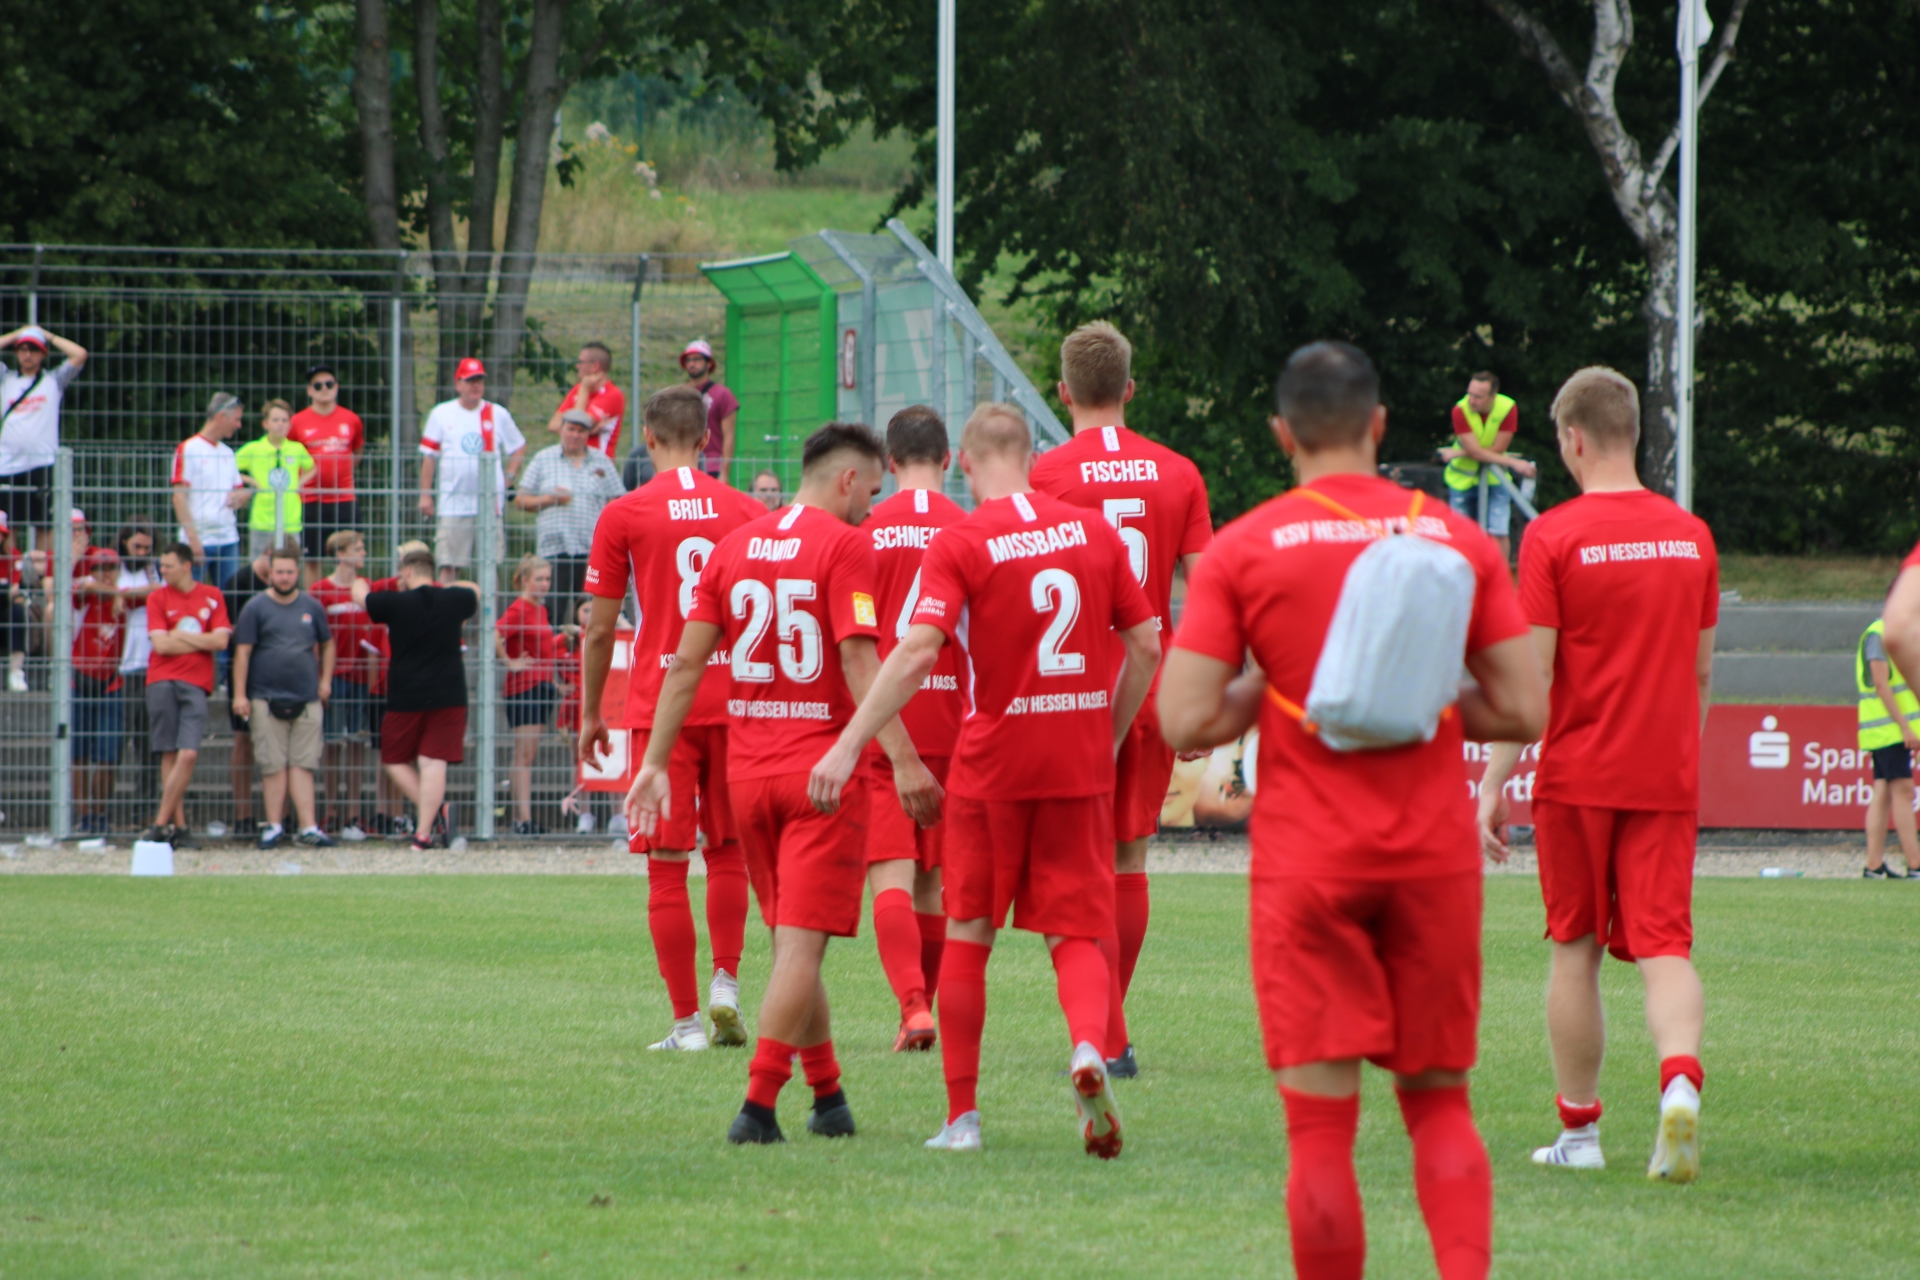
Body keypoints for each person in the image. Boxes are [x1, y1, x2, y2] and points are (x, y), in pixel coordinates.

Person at [1157, 342, 1546, 1278]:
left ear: (1281, 434)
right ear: (1378, 425)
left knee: (1321, 1134)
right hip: (1430, 857)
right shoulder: (1454, 538)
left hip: (1309, 861)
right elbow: (1524, 708)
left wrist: (1285, 686)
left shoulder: (1245, 547)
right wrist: (1416, 693)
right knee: (1440, 1110)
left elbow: (1184, 720)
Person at [809, 403, 1160, 1159]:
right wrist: (1106, 734)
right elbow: (1146, 644)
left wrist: (850, 743)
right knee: (1074, 929)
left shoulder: (964, 538)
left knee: (970, 931)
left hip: (993, 761)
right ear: (1030, 456)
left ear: (964, 463)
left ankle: (963, 1118)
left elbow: (916, 652)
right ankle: (1089, 1047)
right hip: (1076, 761)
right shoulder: (1092, 532)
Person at [628, 422, 939, 1145]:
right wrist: (902, 758)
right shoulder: (846, 545)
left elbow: (686, 665)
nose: (872, 507)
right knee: (800, 949)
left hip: (749, 775)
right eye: (871, 491)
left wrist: (652, 762)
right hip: (819, 777)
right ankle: (759, 1105)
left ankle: (828, 1096)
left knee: (789, 941)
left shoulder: (734, 546)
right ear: (847, 480)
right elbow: (860, 664)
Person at [1479, 365, 1720, 1187]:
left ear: (1573, 439)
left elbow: (1536, 678)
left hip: (1579, 776)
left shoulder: (1553, 537)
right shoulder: (1692, 536)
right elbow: (1700, 673)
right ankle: (1679, 1081)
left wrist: (1493, 780)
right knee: (1666, 947)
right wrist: (1682, 758)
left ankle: (1579, 1133)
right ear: (1635, 434)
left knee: (1573, 952)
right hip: (1664, 775)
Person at [1029, 319, 1213, 1078]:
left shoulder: (1044, 474)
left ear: (1063, 392)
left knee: (1074, 868)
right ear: (1130, 389)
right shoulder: (1179, 472)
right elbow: (1206, 594)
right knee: (1131, 857)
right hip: (1150, 684)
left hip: (1068, 689)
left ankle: (1105, 1031)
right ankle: (1111, 1035)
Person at [579, 385, 767, 1053]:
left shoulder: (624, 512)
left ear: (649, 439)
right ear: (708, 440)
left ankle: (686, 1023)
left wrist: (590, 714)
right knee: (728, 850)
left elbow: (600, 631)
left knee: (665, 860)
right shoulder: (747, 509)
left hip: (663, 705)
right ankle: (726, 985)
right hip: (735, 700)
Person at [857, 406, 966, 1052]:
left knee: (890, 873)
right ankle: (919, 1015)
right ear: (948, 460)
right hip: (954, 721)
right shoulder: (970, 529)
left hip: (886, 721)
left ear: (889, 463)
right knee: (933, 881)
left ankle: (913, 1007)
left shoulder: (866, 530)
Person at [357, 550, 479, 851]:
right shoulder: (455, 599)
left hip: (406, 694)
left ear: (408, 572)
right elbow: (475, 589)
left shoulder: (395, 602)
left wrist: (378, 581)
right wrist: (443, 586)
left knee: (393, 758)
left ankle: (432, 821)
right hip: (450, 693)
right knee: (432, 761)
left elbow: (359, 593)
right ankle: (426, 831)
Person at [231, 546, 336, 849]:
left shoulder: (312, 606)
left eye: (290, 572)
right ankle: (274, 827)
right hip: (265, 698)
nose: (285, 577)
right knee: (272, 765)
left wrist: (325, 681)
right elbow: (242, 653)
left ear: (298, 572)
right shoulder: (255, 607)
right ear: (270, 573)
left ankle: (308, 828)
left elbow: (328, 644)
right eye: (279, 572)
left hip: (307, 697)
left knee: (304, 764)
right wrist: (240, 695)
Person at [141, 542, 235, 847]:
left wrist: (180, 635)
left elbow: (221, 641)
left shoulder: (212, 595)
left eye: (168, 566)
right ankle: (179, 827)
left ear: (186, 566)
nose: (163, 571)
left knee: (189, 752)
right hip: (161, 679)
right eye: (162, 566)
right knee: (169, 753)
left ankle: (160, 824)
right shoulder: (157, 597)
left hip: (196, 682)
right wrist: (200, 639)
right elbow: (161, 645)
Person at [419, 358, 525, 583]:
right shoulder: (442, 413)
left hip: (489, 503)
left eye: (479, 381)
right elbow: (429, 457)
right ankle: (447, 606)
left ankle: (488, 607)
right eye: (470, 381)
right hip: (453, 503)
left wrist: (509, 476)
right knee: (449, 565)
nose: (475, 386)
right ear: (458, 384)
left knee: (490, 566)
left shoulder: (497, 413)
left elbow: (518, 445)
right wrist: (425, 494)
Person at [310, 531, 386, 839]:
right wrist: (321, 678)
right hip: (334, 677)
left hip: (362, 677)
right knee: (331, 743)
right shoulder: (321, 590)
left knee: (356, 742)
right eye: (358, 548)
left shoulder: (366, 587)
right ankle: (330, 810)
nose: (363, 553)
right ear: (340, 554)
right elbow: (316, 638)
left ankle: (354, 813)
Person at [514, 410, 626, 606]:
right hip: (553, 549)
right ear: (562, 430)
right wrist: (549, 499)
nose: (575, 435)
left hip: (591, 549)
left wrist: (606, 523)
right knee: (553, 607)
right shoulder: (543, 458)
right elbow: (520, 499)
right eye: (571, 429)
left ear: (588, 434)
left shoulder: (601, 461)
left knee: (586, 607)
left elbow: (618, 499)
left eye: (581, 431)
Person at [0, 324, 88, 545]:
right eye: (23, 349)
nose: (28, 355)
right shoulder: (6, 380)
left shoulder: (53, 381)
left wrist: (47, 335)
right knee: (7, 524)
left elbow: (79, 355)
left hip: (42, 462)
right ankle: (12, 566)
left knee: (44, 525)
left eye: (34, 349)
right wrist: (17, 334)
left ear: (43, 354)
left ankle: (42, 567)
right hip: (7, 464)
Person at [497, 554, 565, 835]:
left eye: (547, 579)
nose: (545, 584)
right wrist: (510, 662)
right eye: (539, 579)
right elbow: (495, 634)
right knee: (524, 755)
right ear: (524, 580)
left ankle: (522, 818)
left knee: (527, 755)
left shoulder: (540, 609)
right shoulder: (519, 608)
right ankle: (522, 820)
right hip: (524, 688)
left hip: (541, 686)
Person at [67, 512, 125, 834]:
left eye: (111, 568)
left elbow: (149, 591)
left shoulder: (124, 598)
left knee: (108, 754)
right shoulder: (86, 592)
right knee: (78, 753)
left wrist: (119, 594)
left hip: (111, 681)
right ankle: (83, 814)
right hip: (80, 677)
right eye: (100, 568)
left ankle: (101, 814)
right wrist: (111, 592)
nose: (106, 573)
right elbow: (78, 588)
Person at [1439, 371, 1536, 562]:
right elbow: (1476, 452)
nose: (1471, 400)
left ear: (1493, 396)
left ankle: (1501, 576)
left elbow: (1499, 448)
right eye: (1470, 394)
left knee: (1498, 531)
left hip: (1495, 478)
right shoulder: (1460, 410)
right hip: (1462, 480)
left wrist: (1461, 452)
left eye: (1478, 396)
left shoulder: (1507, 407)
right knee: (1460, 533)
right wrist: (1514, 462)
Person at [1856, 605, 1920, 878]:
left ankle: (1874, 865)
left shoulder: (1893, 634)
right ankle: (1915, 864)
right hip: (1890, 730)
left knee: (1883, 793)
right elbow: (1881, 685)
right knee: (1904, 791)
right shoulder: (1879, 634)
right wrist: (1905, 727)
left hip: (1890, 730)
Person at [222, 545, 280, 836]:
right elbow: (233, 635)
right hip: (244, 673)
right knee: (243, 742)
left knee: (281, 745)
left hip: (278, 674)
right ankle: (243, 815)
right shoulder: (239, 583)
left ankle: (279, 818)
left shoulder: (288, 585)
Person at [288, 364, 366, 577]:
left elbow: (357, 452)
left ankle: (348, 596)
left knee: (351, 554)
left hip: (344, 498)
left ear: (336, 387)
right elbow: (289, 455)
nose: (324, 389)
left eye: (329, 384)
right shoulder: (297, 422)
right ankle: (314, 597)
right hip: (310, 500)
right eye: (318, 385)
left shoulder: (351, 419)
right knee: (312, 558)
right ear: (309, 390)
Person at [171, 393, 248, 590]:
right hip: (198, 540)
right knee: (190, 597)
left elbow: (238, 491)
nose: (239, 425)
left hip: (228, 539)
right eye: (236, 419)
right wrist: (193, 539)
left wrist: (243, 496)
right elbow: (179, 497)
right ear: (221, 416)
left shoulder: (228, 453)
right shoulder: (189, 448)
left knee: (230, 598)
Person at [114, 519, 162, 825]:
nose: (142, 552)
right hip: (119, 668)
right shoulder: (113, 568)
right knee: (115, 744)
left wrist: (133, 594)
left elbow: (161, 593)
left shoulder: (155, 570)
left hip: (150, 666)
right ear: (124, 543)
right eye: (137, 546)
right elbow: (107, 591)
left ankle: (143, 811)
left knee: (149, 746)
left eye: (147, 547)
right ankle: (101, 812)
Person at [234, 399, 318, 559]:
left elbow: (312, 468)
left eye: (284, 420)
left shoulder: (296, 449)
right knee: (259, 563)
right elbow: (228, 466)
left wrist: (299, 483)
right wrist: (251, 481)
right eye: (275, 420)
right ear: (265, 424)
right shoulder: (254, 449)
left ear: (290, 424)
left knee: (289, 563)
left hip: (290, 520)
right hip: (263, 520)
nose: (280, 424)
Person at [545, 342, 626, 458]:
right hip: (572, 460)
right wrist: (590, 431)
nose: (577, 366)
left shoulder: (613, 395)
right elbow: (553, 425)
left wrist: (584, 389)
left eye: (581, 362)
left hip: (597, 463)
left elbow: (577, 422)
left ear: (595, 366)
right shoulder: (578, 389)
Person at [680, 339, 739, 482]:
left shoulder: (723, 394)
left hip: (712, 465)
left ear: (709, 363)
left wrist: (724, 473)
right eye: (688, 360)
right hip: (684, 464)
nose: (692, 364)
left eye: (697, 359)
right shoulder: (679, 394)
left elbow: (729, 436)